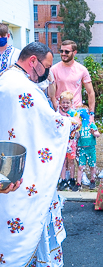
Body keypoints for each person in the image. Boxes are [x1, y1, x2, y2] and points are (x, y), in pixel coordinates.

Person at [0, 42, 71, 266]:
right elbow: (50, 123)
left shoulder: (7, 78)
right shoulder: (23, 87)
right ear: (33, 61)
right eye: (46, 67)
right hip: (22, 173)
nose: (47, 72)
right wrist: (71, 123)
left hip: (8, 163)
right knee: (26, 222)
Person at [51, 40, 95, 117]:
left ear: (74, 52)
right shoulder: (54, 69)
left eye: (67, 52)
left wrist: (91, 114)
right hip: (60, 112)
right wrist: (57, 110)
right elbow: (52, 94)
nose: (63, 54)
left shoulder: (82, 69)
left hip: (77, 112)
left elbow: (90, 92)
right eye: (61, 51)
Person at [73, 106, 101, 191]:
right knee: (81, 166)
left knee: (92, 166)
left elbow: (98, 134)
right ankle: (78, 183)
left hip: (91, 149)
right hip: (81, 149)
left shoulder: (91, 124)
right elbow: (76, 137)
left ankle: (92, 181)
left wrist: (94, 132)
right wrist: (76, 133)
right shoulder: (79, 125)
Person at [58, 91, 81, 191]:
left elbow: (78, 125)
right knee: (63, 161)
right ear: (60, 102)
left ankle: (72, 178)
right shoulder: (58, 113)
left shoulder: (74, 113)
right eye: (63, 102)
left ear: (71, 103)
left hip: (71, 142)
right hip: (62, 141)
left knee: (71, 161)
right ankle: (63, 179)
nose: (65, 105)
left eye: (67, 103)